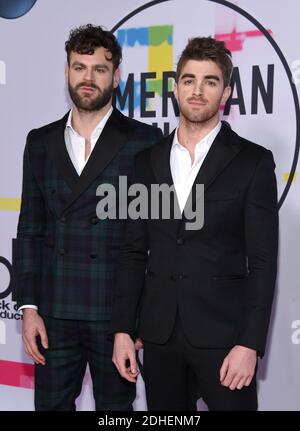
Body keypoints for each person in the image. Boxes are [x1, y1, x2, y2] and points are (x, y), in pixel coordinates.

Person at [109, 36, 278, 411]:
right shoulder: (146, 162)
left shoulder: (253, 162)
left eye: (210, 81)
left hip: (225, 339)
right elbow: (134, 251)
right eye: (189, 80)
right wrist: (123, 328)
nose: (197, 91)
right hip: (159, 337)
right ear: (175, 87)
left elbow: (263, 263)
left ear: (226, 92)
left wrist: (249, 344)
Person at [14, 24, 162, 411]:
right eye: (79, 67)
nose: (88, 78)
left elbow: (154, 237)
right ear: (66, 73)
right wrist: (28, 308)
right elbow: (30, 227)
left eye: (99, 69)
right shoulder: (39, 141)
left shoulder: (144, 141)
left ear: (116, 77)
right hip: (53, 310)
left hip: (114, 312)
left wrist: (138, 318)